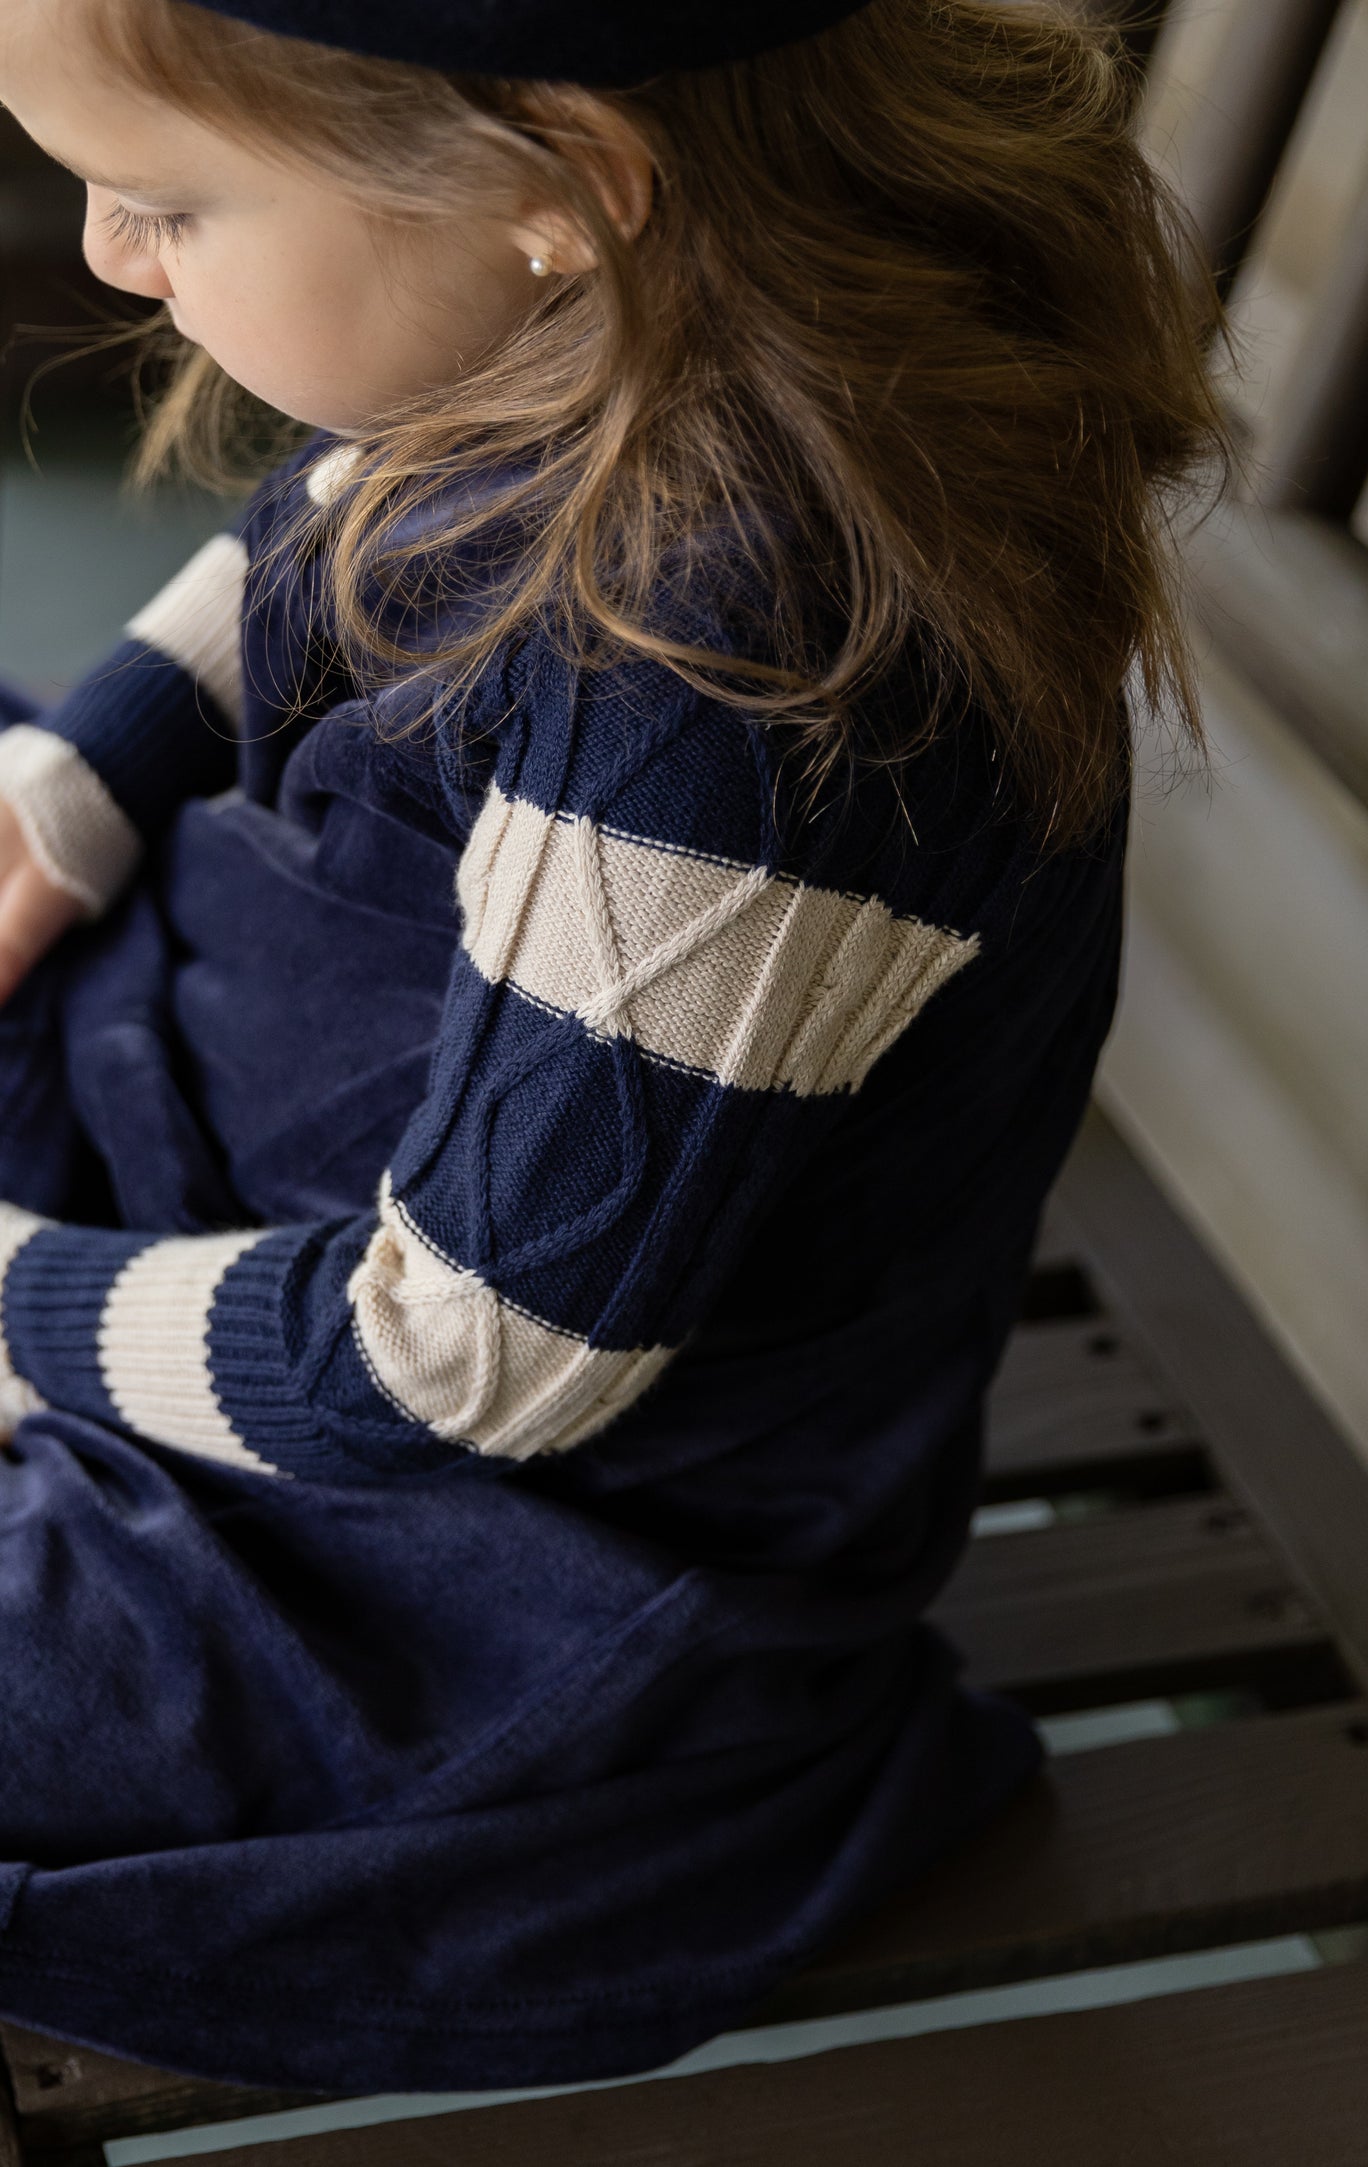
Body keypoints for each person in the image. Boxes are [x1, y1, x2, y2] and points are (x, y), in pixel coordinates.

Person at [0, 0, 1226, 2094]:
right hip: (289, 1118)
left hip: (512, 1545)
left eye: (168, 202)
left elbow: (461, 1360)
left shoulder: (742, 682)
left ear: (556, 183)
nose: (113, 253)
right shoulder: (630, 308)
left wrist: (23, 1303)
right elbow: (336, 494)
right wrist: (72, 788)